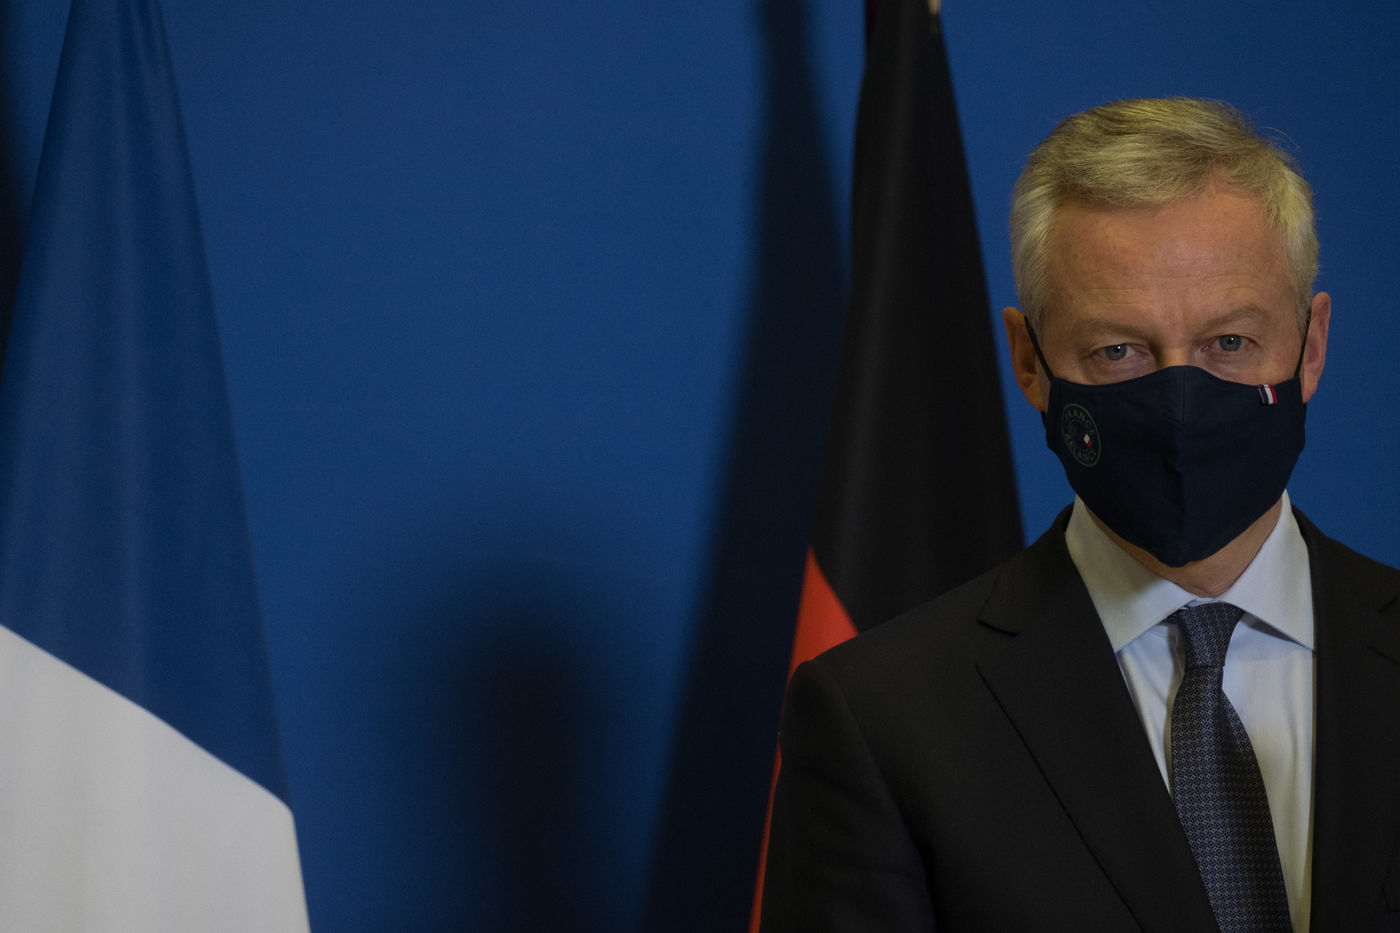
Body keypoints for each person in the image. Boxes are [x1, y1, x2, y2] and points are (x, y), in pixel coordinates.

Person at [758, 98, 1400, 932]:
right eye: (1118, 350)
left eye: (1230, 343)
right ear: (1030, 361)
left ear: (1311, 347)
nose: (1178, 403)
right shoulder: (883, 718)